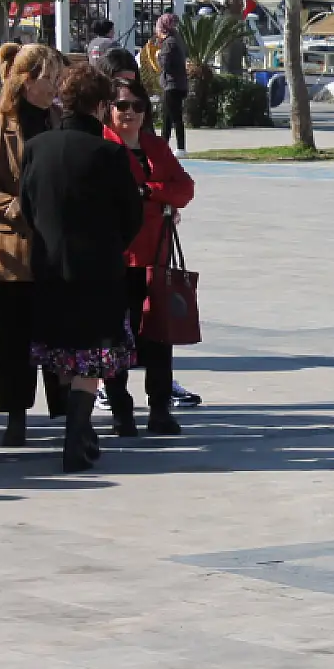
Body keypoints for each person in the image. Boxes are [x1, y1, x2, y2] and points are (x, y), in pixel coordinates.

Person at [20, 65, 144, 471]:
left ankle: (78, 430)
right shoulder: (109, 153)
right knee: (90, 356)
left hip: (50, 266)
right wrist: (110, 246)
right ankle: (77, 433)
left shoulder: (37, 146)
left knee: (61, 351)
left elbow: (27, 205)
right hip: (97, 269)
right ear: (102, 106)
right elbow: (132, 215)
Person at [0, 43, 68, 447]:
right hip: (11, 249)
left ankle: (65, 410)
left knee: (57, 332)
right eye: (48, 79)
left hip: (53, 249)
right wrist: (12, 205)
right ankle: (15, 414)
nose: (54, 87)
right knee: (13, 338)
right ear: (26, 81)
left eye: (57, 79)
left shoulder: (59, 121)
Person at [101, 77, 195, 436]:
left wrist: (146, 191)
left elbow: (184, 188)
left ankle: (159, 408)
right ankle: (121, 410)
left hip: (155, 255)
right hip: (117, 257)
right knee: (115, 338)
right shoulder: (103, 145)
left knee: (158, 336)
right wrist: (160, 196)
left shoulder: (155, 146)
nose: (130, 113)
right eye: (122, 106)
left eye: (137, 107)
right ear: (108, 110)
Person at [155, 12, 188, 156]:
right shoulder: (177, 39)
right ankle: (163, 145)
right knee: (167, 118)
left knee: (175, 117)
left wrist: (158, 56)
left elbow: (166, 64)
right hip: (178, 83)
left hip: (172, 84)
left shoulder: (169, 42)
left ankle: (181, 147)